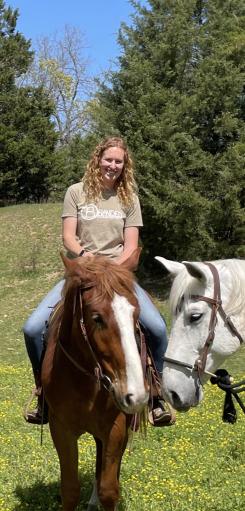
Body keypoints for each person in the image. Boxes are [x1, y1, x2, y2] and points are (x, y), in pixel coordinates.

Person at [23, 136, 172, 426]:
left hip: (117, 277)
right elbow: (68, 236)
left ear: (124, 165)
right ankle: (44, 394)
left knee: (157, 327)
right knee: (32, 328)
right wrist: (85, 255)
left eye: (119, 161)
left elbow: (131, 245)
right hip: (82, 273)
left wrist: (112, 269)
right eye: (109, 159)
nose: (113, 166)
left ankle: (156, 395)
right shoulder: (76, 193)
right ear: (97, 160)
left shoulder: (129, 198)